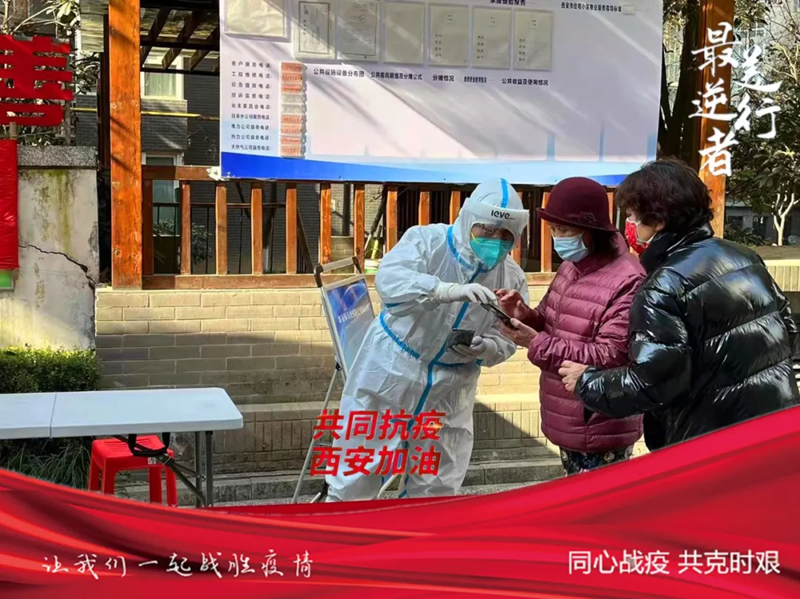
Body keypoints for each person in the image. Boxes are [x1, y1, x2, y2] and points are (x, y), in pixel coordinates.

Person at [558, 159, 800, 451]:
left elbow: (653, 383)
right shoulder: (744, 256)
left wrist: (587, 381)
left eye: (633, 216)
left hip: (711, 442)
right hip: (778, 426)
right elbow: (788, 332)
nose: (630, 226)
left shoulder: (663, 285)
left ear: (658, 220)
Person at [325, 179, 530, 501]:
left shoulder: (512, 276)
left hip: (451, 386)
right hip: (392, 369)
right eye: (487, 229)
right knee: (359, 466)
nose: (495, 240)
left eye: (505, 234)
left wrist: (487, 347)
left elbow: (509, 334)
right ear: (468, 220)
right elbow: (390, 281)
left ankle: (417, 533)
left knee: (437, 480)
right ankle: (343, 529)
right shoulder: (427, 241)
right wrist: (442, 290)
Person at [496, 177, 645, 475]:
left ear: (591, 232)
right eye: (553, 229)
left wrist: (535, 343)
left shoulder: (628, 278)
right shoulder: (570, 267)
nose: (557, 238)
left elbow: (611, 354)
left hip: (600, 422)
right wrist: (523, 314)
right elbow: (549, 320)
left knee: (598, 503)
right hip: (567, 416)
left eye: (564, 230)